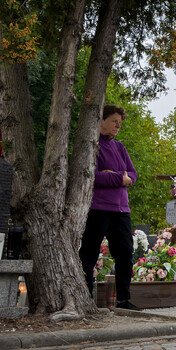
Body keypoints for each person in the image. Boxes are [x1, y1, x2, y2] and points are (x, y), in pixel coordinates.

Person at [78, 104, 138, 310]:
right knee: (90, 252)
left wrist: (115, 176)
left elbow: (133, 175)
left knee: (125, 254)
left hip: (121, 209)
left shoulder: (120, 147)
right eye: (114, 121)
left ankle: (123, 301)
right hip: (98, 207)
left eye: (120, 123)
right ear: (101, 120)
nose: (118, 125)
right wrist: (119, 177)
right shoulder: (91, 145)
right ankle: (85, 298)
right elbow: (92, 176)